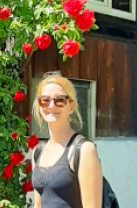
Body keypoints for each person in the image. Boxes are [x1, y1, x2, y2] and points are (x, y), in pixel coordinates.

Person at [31, 71, 103, 208]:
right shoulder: (38, 152)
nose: (51, 106)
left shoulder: (83, 150)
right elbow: (38, 204)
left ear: (71, 107)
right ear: (39, 106)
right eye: (45, 100)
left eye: (59, 100)